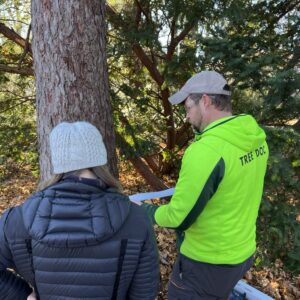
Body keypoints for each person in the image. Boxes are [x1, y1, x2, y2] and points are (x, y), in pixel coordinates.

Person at [142, 71, 269, 299]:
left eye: (188, 107)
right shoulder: (254, 138)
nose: (187, 116)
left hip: (207, 263)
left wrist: (145, 211)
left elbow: (179, 217)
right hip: (241, 253)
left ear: (206, 101)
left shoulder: (206, 150)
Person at [0, 121, 159, 300]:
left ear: (57, 162)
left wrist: (22, 295)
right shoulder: (136, 219)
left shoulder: (17, 220)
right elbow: (145, 291)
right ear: (100, 160)